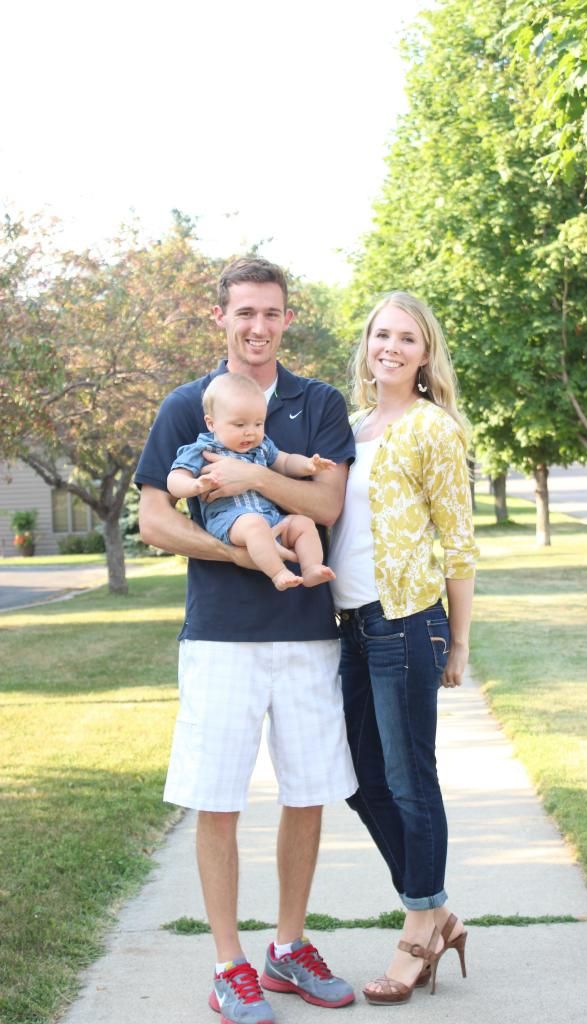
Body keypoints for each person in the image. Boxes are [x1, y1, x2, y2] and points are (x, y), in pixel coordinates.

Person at [135, 257, 357, 1024]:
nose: (258, 327)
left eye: (271, 313)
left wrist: (254, 478)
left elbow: (325, 499)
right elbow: (158, 518)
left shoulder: (317, 402)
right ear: (221, 319)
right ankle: (229, 963)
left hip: (306, 636)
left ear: (287, 318)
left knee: (307, 794)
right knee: (218, 799)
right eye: (244, 314)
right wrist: (241, 554)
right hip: (221, 639)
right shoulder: (186, 406)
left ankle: (288, 948)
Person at [327, 291, 478, 1006]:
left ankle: (419, 928)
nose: (390, 346)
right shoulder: (353, 428)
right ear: (367, 344)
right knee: (362, 781)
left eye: (406, 338)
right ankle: (437, 909)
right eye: (381, 334)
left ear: (424, 354)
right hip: (353, 624)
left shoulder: (432, 429)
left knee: (412, 778)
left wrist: (458, 643)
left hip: (409, 619)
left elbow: (460, 544)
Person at [167, 371, 337, 590]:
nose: (251, 433)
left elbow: (285, 462)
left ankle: (311, 567)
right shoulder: (201, 450)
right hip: (230, 520)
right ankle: (278, 573)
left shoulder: (262, 446)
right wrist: (194, 485)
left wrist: (308, 465)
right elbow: (175, 478)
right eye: (240, 425)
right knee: (254, 525)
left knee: (303, 524)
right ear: (211, 423)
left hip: (270, 518)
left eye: (258, 424)